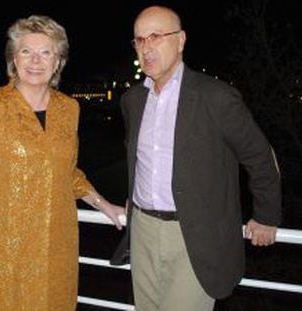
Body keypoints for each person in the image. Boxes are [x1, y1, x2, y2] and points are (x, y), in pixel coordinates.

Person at [112, 5, 282, 311]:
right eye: (139, 40)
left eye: (155, 36)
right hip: (143, 232)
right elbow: (141, 160)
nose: (146, 47)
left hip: (195, 234)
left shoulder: (215, 97)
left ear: (180, 41)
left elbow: (259, 156)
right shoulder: (132, 101)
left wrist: (266, 215)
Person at [0, 15, 125, 310]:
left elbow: (67, 173)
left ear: (58, 62)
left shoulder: (69, 109)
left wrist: (105, 205)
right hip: (3, 247)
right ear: (13, 59)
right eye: (26, 51)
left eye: (46, 52)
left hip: (57, 244)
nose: (36, 61)